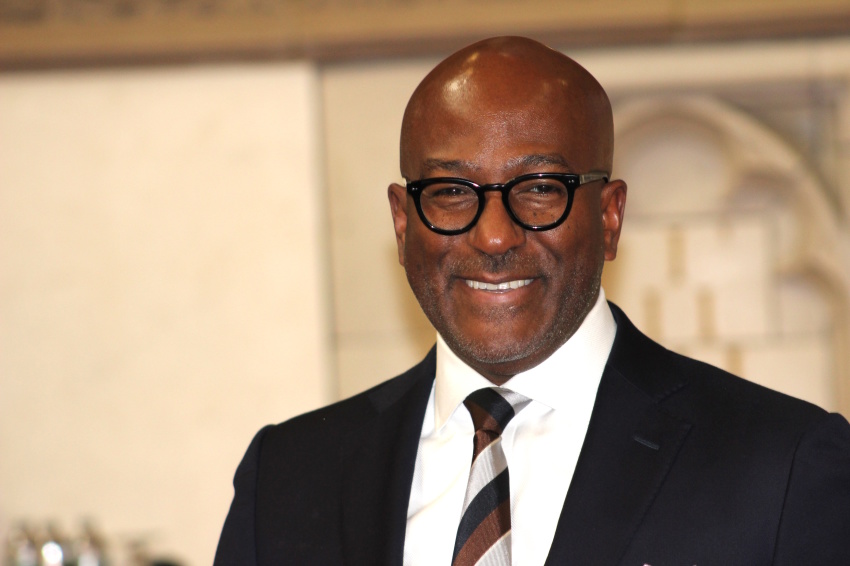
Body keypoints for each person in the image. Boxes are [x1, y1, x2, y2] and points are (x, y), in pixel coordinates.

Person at [213, 36, 850, 565]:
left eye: (541, 188)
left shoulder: (784, 469)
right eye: (451, 192)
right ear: (403, 224)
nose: (494, 235)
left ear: (610, 217)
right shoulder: (288, 480)